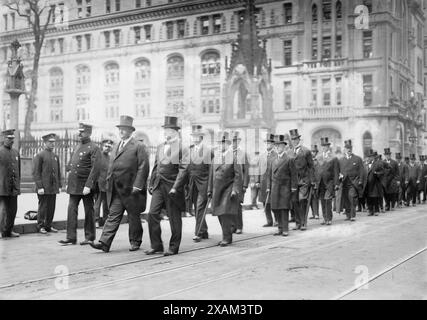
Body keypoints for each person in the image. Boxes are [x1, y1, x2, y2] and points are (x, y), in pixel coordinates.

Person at [91, 116, 150, 253]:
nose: (121, 131)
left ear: (130, 131)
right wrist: (108, 182)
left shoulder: (138, 146)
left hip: (131, 190)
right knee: (113, 215)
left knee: (133, 216)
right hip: (117, 189)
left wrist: (138, 185)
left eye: (124, 129)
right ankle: (104, 243)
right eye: (120, 129)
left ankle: (135, 241)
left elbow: (143, 166)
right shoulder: (117, 145)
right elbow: (112, 166)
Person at [146, 116, 189, 256]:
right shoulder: (160, 146)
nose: (166, 132)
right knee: (152, 214)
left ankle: (173, 247)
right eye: (165, 129)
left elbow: (183, 170)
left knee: (174, 217)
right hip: (159, 184)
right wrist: (151, 183)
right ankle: (156, 245)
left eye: (169, 130)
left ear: (176, 132)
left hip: (172, 187)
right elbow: (156, 166)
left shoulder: (182, 148)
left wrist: (176, 187)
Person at [58, 123, 101, 246]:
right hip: (74, 185)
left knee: (89, 211)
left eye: (82, 132)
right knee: (71, 209)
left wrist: (89, 185)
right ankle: (71, 237)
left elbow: (95, 168)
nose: (79, 134)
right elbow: (71, 166)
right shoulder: (77, 147)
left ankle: (90, 237)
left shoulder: (94, 148)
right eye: (79, 132)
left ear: (89, 133)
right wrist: (68, 181)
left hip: (85, 186)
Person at [207, 131, 242, 246]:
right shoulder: (215, 158)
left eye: (223, 143)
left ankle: (227, 238)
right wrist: (209, 190)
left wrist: (234, 190)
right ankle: (226, 236)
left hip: (228, 189)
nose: (221, 146)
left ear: (228, 144)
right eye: (219, 143)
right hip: (217, 190)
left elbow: (238, 175)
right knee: (220, 214)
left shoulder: (233, 157)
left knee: (225, 213)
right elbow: (211, 176)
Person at [266, 135, 297, 237]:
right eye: (276, 146)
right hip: (275, 188)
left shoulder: (289, 159)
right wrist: (268, 187)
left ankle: (285, 229)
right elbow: (269, 175)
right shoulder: (273, 160)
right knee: (275, 208)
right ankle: (279, 228)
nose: (278, 148)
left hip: (285, 188)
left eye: (280, 146)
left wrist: (293, 187)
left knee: (284, 208)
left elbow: (293, 175)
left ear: (284, 147)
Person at [187, 125, 213, 242]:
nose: (195, 139)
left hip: (204, 183)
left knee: (200, 207)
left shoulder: (208, 151)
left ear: (201, 137)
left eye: (197, 137)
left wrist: (210, 187)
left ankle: (198, 232)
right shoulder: (190, 150)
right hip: (193, 184)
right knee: (196, 207)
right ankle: (204, 231)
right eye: (193, 136)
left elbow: (211, 170)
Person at [32, 133, 61, 234]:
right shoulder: (40, 155)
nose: (52, 144)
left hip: (53, 187)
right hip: (43, 187)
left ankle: (48, 225)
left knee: (51, 207)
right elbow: (36, 172)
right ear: (45, 143)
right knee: (43, 207)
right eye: (50, 142)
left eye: (53, 142)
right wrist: (40, 186)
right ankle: (40, 226)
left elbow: (58, 172)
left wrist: (59, 185)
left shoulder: (55, 156)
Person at [289, 129, 314, 231]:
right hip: (293, 182)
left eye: (296, 139)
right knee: (294, 201)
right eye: (293, 139)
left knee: (302, 200)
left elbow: (311, 166)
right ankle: (298, 223)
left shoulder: (306, 151)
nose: (294, 141)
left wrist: (313, 180)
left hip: (304, 180)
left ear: (299, 139)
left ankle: (304, 222)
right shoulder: (289, 152)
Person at [0, 129, 21, 238]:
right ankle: (1, 231)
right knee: (2, 210)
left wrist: (18, 185)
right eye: (9, 138)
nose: (11, 141)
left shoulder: (15, 152)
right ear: (3, 138)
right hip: (2, 186)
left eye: (12, 138)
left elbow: (18, 170)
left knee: (13, 210)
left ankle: (9, 230)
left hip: (14, 187)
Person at [339, 140, 364, 222]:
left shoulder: (357, 159)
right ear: (344, 149)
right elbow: (339, 171)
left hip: (353, 183)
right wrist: (340, 176)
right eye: (347, 148)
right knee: (346, 199)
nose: (348, 150)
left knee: (352, 197)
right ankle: (348, 215)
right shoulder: (341, 160)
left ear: (352, 149)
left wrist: (360, 180)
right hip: (344, 182)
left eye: (350, 148)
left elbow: (361, 171)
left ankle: (353, 215)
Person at [316, 137, 339, 225]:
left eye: (326, 146)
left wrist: (336, 183)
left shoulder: (333, 158)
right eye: (323, 146)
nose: (324, 147)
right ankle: (325, 218)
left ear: (329, 147)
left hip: (329, 182)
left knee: (327, 200)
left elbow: (336, 171)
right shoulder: (319, 157)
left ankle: (329, 218)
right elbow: (316, 170)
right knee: (322, 200)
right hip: (320, 183)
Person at [230, 131, 249, 234]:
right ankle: (232, 226)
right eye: (232, 141)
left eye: (236, 141)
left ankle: (239, 226)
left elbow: (246, 170)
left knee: (237, 205)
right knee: (230, 205)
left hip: (239, 184)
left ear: (239, 142)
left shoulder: (243, 154)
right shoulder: (228, 154)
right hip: (229, 184)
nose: (234, 143)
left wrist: (245, 184)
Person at [258, 134, 278, 227]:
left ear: (273, 144)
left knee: (274, 202)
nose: (267, 145)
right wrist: (258, 181)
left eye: (269, 143)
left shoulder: (276, 155)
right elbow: (259, 169)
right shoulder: (262, 155)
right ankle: (269, 221)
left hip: (273, 182)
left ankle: (277, 220)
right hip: (263, 182)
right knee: (264, 202)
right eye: (266, 143)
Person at [94, 139, 113, 228]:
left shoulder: (110, 158)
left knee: (106, 204)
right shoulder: (99, 156)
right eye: (106, 146)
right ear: (102, 146)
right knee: (97, 203)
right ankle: (96, 221)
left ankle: (105, 221)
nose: (107, 148)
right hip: (99, 184)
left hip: (107, 185)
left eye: (109, 147)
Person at [365, 150, 384, 216]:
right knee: (368, 198)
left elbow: (382, 172)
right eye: (369, 157)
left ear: (373, 157)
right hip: (367, 184)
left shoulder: (377, 163)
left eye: (371, 157)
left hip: (375, 183)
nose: (370, 158)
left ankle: (376, 210)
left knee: (375, 197)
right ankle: (370, 210)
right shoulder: (366, 164)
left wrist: (377, 173)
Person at [310, 144, 320, 220]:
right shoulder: (308, 161)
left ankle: (316, 214)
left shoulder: (318, 161)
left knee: (315, 198)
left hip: (316, 182)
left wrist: (316, 183)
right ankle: (313, 214)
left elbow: (318, 173)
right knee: (310, 199)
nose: (313, 153)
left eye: (315, 152)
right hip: (309, 182)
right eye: (312, 152)